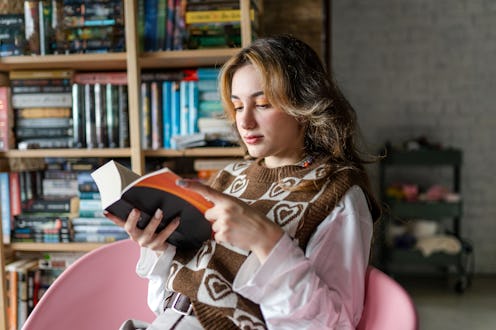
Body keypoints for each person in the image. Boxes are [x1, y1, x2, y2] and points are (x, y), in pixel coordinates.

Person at [108, 34, 381, 330]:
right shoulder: (230, 176)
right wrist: (160, 250)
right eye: (238, 107)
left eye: (262, 104)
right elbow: (171, 300)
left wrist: (267, 241)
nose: (245, 122)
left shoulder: (338, 196)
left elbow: (334, 323)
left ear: (304, 106)